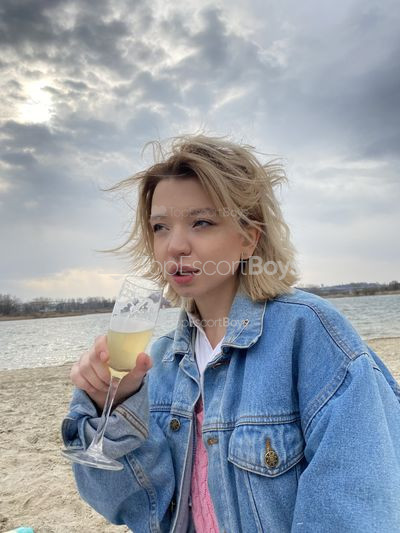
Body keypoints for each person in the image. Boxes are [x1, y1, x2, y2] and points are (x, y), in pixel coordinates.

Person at [62, 135, 400, 532]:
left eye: (201, 222)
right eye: (160, 227)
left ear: (248, 238)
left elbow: (357, 508)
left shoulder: (310, 334)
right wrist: (114, 405)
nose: (175, 246)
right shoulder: (158, 363)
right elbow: (136, 507)